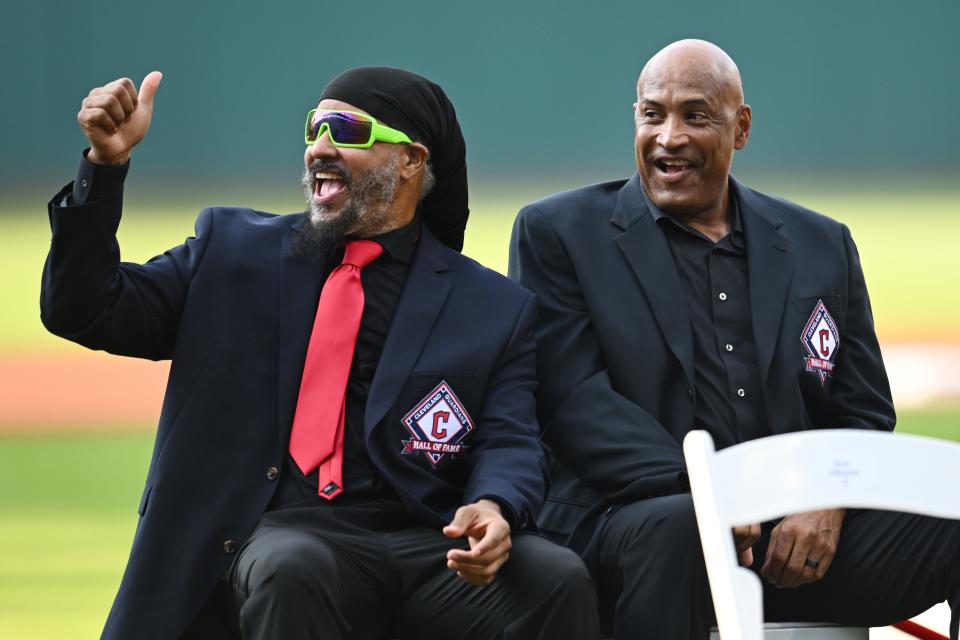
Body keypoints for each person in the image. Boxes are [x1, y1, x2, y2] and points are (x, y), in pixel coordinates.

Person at [41, 67, 599, 640]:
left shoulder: (491, 305)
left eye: (347, 130)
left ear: (411, 159)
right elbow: (84, 308)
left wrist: (493, 504)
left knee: (554, 576)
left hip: (426, 541)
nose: (320, 148)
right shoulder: (230, 252)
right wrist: (104, 167)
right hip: (277, 531)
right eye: (314, 128)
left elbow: (510, 437)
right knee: (295, 567)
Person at [509, 39, 960, 639]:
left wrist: (828, 498)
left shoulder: (822, 243)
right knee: (682, 526)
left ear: (739, 127)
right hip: (642, 525)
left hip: (798, 538)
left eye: (695, 115)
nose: (669, 136)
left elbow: (864, 409)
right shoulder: (558, 233)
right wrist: (709, 496)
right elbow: (572, 402)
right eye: (653, 114)